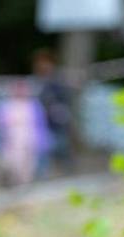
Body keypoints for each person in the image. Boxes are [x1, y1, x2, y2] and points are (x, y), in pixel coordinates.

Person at [0, 80, 50, 187]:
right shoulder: (6, 106)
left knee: (29, 163)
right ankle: (15, 182)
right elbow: (0, 125)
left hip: (29, 136)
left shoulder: (33, 105)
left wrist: (42, 140)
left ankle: (25, 185)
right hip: (12, 139)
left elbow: (40, 124)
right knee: (13, 163)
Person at [33, 49, 73, 177]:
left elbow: (65, 98)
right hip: (40, 122)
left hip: (56, 121)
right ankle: (42, 174)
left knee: (62, 147)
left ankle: (67, 172)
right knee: (42, 150)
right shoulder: (37, 81)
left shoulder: (58, 81)